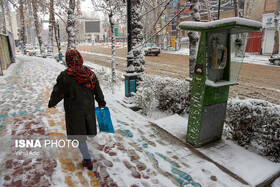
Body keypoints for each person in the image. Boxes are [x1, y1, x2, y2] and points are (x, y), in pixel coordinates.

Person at [48, 49, 106, 170]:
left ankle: (87, 160)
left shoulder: (65, 76)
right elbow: (97, 89)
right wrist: (101, 102)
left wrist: (52, 103)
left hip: (74, 111)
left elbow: (57, 92)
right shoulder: (89, 73)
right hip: (88, 109)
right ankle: (87, 150)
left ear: (68, 60)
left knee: (79, 135)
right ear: (80, 58)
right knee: (85, 129)